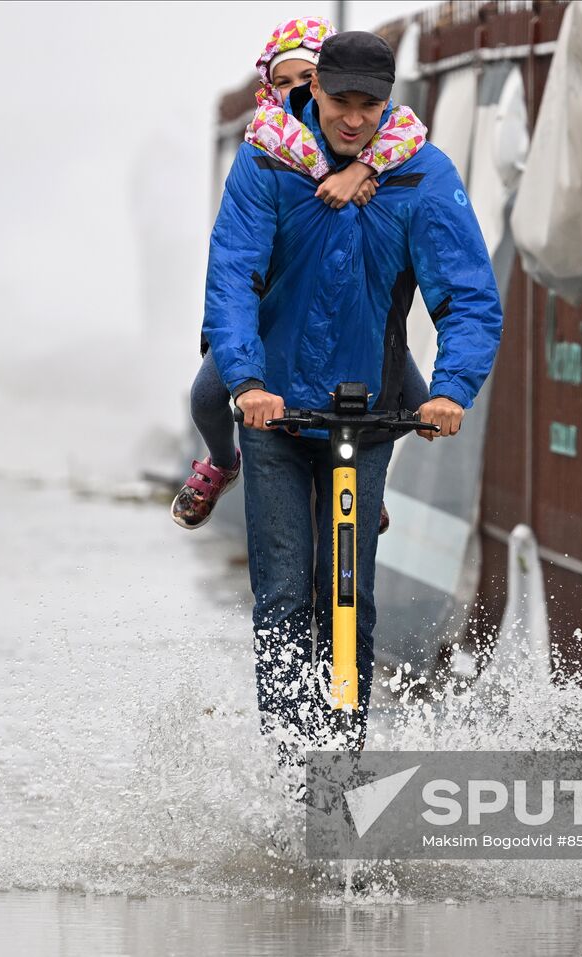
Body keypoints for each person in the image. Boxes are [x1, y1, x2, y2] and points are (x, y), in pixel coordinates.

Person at [202, 30, 503, 750]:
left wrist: (452, 389)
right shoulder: (266, 161)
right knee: (282, 596)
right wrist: (244, 380)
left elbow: (466, 296)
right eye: (340, 102)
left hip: (364, 417)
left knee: (350, 597)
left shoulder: (419, 175)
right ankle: (287, 755)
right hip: (273, 415)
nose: (353, 119)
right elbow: (233, 276)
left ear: (388, 102)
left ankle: (340, 766)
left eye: (371, 106)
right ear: (315, 90)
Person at [171, 16, 430, 533]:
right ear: (274, 87)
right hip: (269, 314)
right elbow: (236, 257)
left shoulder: (375, 139)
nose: (295, 92)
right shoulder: (265, 142)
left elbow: (410, 133)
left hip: (352, 312)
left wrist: (365, 168)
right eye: (283, 81)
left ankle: (358, 479)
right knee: (206, 397)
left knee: (419, 407)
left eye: (304, 79)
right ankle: (224, 463)